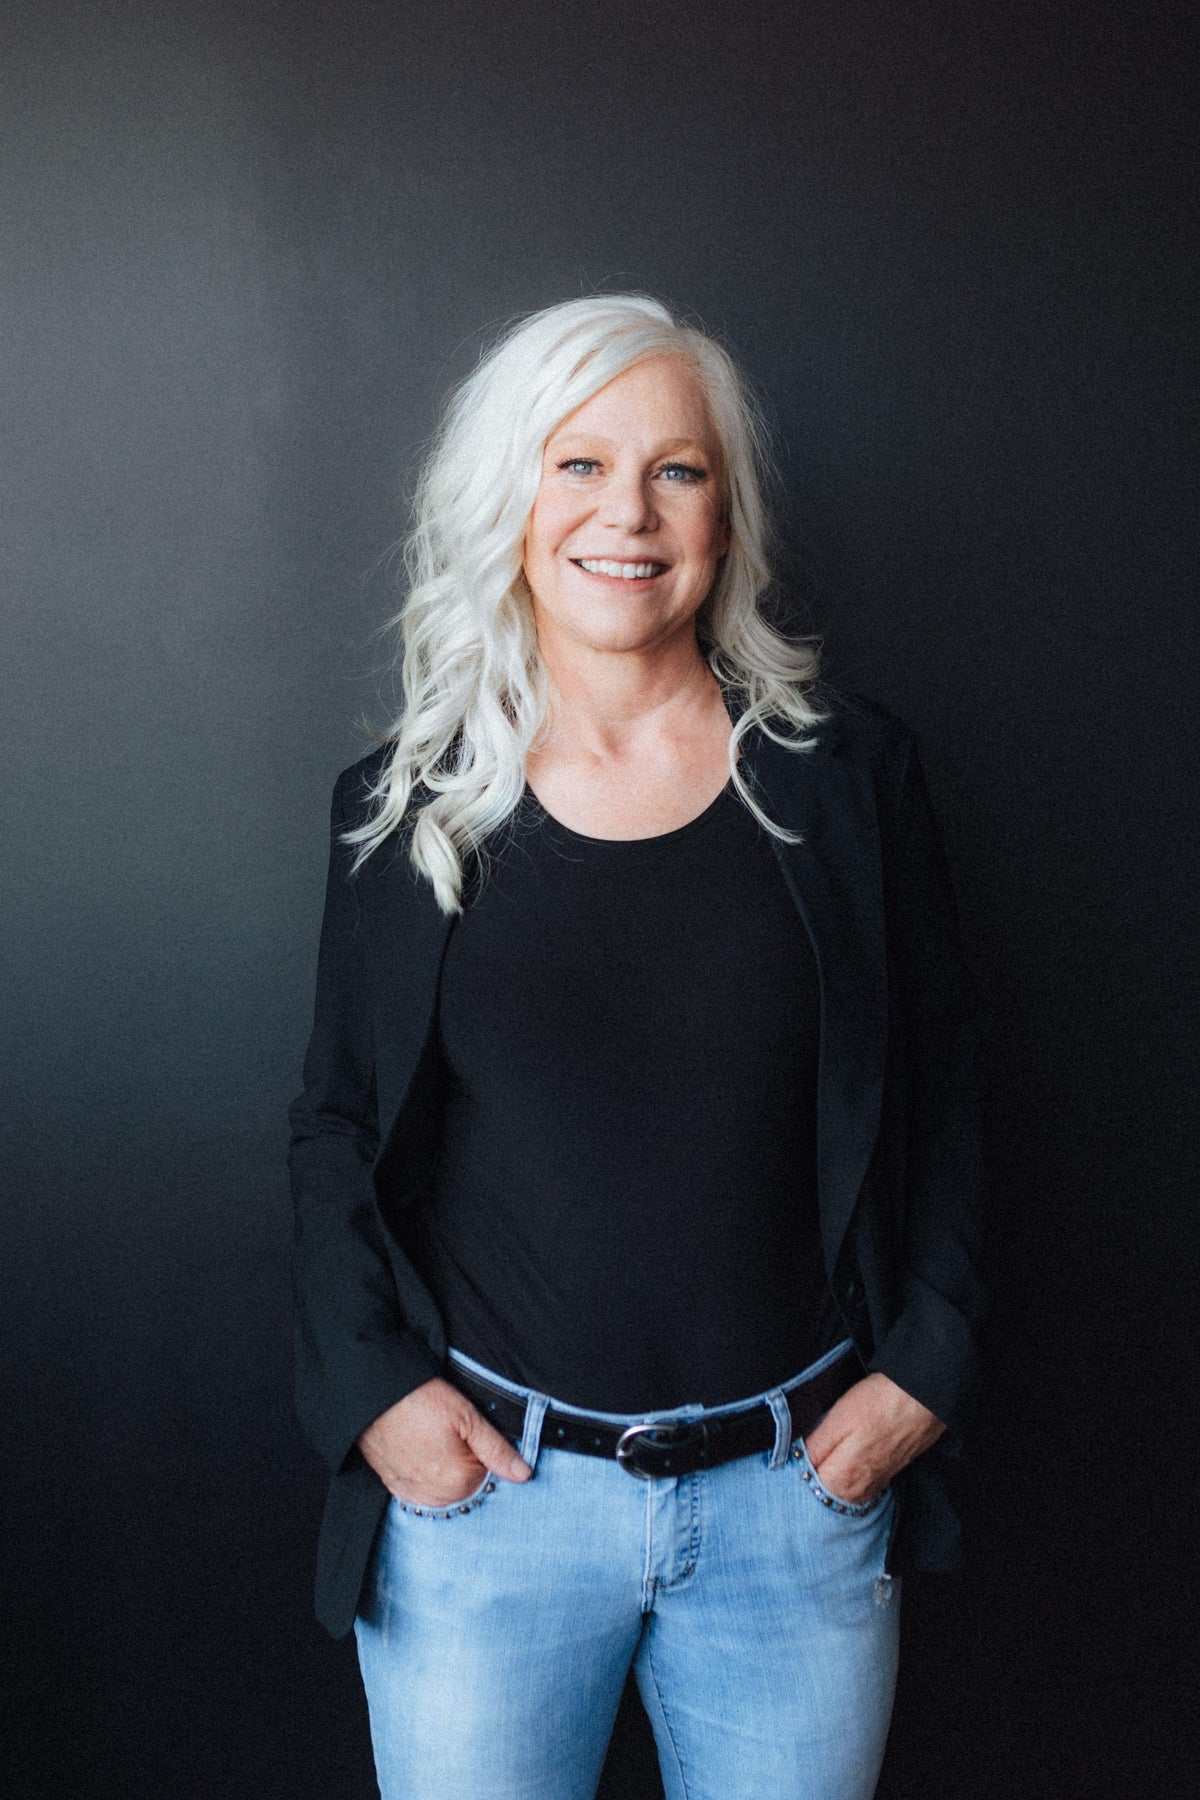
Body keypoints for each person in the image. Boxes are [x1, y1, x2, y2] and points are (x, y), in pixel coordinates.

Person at [287, 294, 986, 1800]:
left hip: (796, 1510)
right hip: (490, 1519)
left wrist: (923, 1373)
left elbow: (949, 1097)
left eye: (678, 470)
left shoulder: (847, 781)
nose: (629, 513)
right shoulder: (411, 807)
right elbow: (336, 1125)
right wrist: (375, 1394)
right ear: (511, 500)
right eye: (580, 465)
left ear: (725, 517)